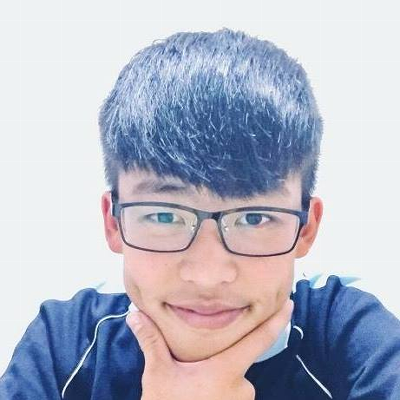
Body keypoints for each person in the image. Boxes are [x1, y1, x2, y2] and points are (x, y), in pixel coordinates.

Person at [1, 27, 399, 400]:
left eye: (253, 218)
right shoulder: (62, 347)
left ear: (306, 228)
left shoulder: (354, 341)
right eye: (164, 217)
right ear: (113, 222)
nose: (208, 275)